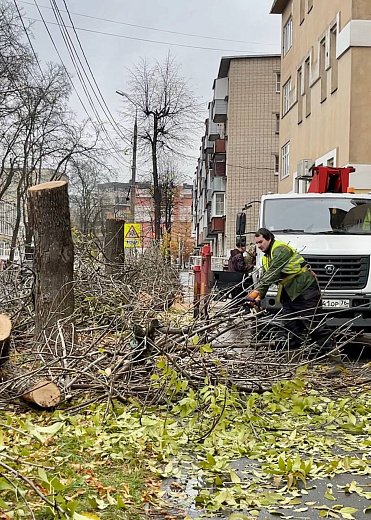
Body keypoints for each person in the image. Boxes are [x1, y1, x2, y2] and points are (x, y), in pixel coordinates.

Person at [247, 228, 336, 355]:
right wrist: (258, 297)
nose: (259, 246)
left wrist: (256, 293)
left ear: (269, 239)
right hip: (289, 292)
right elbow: (266, 277)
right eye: (257, 243)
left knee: (316, 326)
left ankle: (335, 362)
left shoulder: (281, 249)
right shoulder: (267, 257)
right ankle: (292, 363)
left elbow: (273, 273)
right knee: (290, 327)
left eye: (261, 242)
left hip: (304, 290)